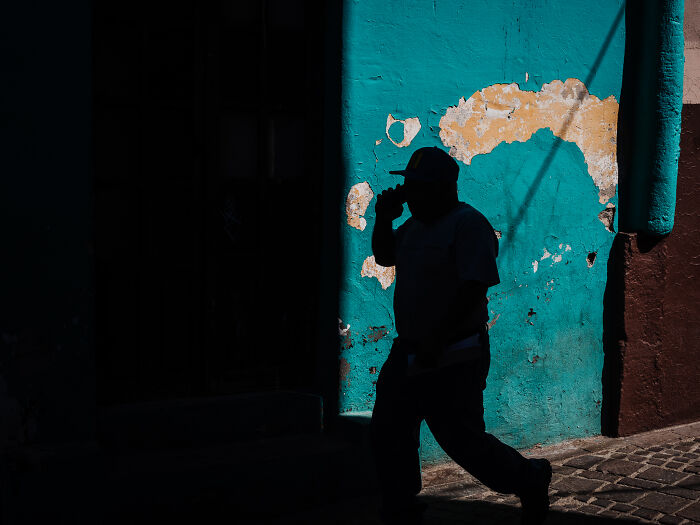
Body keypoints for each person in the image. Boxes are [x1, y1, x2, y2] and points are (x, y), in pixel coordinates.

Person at [370, 146, 552, 525]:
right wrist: (384, 219)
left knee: (463, 442)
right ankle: (401, 504)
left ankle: (529, 477)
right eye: (409, 187)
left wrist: (437, 340)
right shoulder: (414, 225)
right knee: (390, 427)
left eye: (417, 187)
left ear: (442, 188)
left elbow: (473, 286)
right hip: (410, 350)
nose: (410, 195)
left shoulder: (468, 225)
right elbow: (386, 256)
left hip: (452, 354)